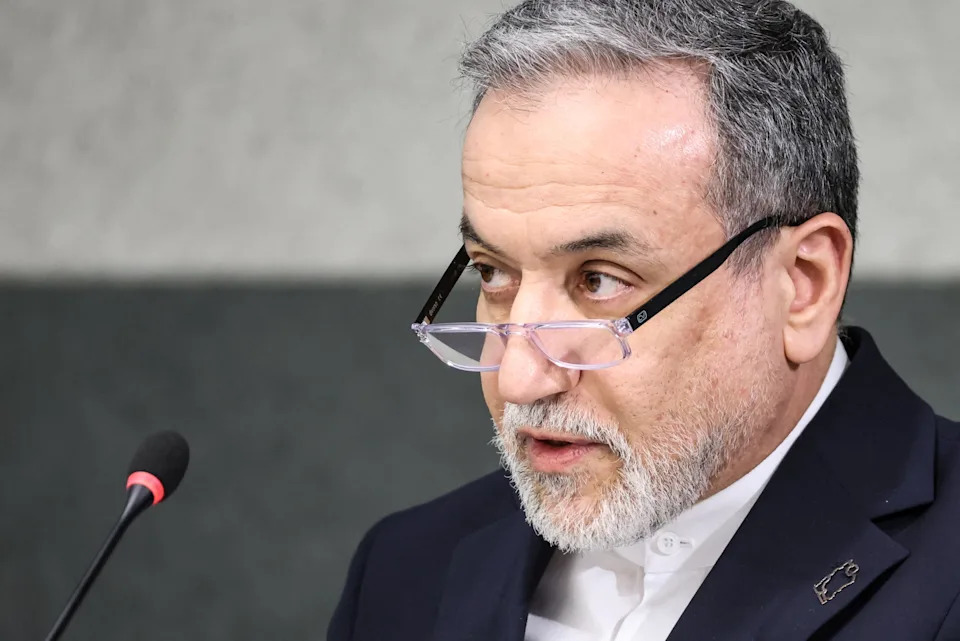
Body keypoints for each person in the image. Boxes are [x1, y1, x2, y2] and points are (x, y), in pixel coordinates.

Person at [329, 1, 960, 639]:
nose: (519, 379)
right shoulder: (405, 571)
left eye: (599, 281)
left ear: (804, 285)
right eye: (493, 273)